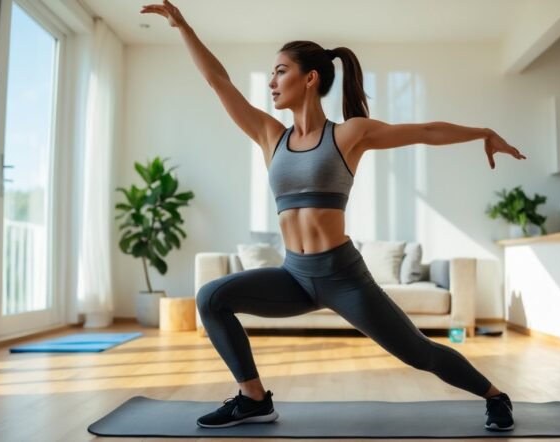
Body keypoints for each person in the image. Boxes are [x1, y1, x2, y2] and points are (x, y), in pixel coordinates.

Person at [141, 0, 526, 432]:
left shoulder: (349, 134)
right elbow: (218, 81)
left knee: (419, 352)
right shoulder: (270, 136)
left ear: (311, 78)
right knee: (211, 297)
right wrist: (183, 27)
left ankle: (495, 395)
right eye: (271, 73)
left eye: (280, 70)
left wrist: (485, 134)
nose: (271, 81)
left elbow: (426, 131)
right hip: (293, 276)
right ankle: (253, 399)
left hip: (343, 276)